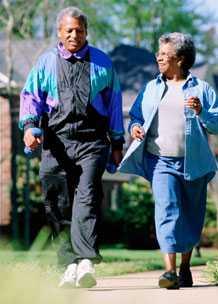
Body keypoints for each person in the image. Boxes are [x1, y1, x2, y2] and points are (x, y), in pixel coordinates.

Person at [19, 6, 124, 288]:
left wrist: (117, 141)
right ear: (59, 33)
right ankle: (68, 264)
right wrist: (29, 127)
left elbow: (114, 104)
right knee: (57, 201)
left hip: (92, 141)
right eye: (69, 30)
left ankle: (86, 260)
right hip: (56, 142)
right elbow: (31, 97)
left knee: (87, 196)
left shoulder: (103, 63)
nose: (74, 35)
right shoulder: (45, 63)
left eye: (79, 30)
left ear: (86, 32)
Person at [119, 32, 218, 289]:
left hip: (194, 163)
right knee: (167, 209)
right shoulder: (152, 87)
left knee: (191, 215)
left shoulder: (202, 89)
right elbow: (135, 116)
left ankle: (184, 266)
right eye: (159, 53)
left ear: (179, 58)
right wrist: (134, 127)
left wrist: (202, 112)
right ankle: (169, 272)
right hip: (161, 161)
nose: (158, 57)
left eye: (164, 54)